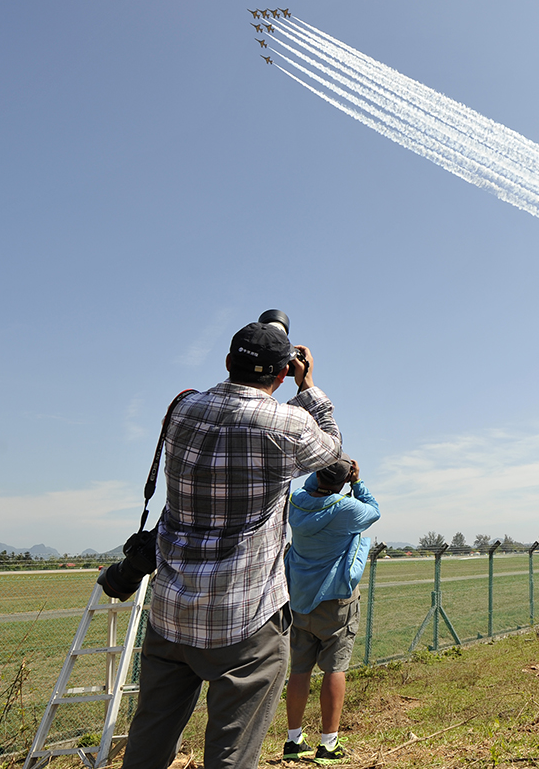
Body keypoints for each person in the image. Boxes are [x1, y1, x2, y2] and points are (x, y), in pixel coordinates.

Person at [122, 319, 343, 769]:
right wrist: (310, 390)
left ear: (226, 362)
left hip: (170, 611)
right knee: (231, 753)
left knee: (148, 742)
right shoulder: (289, 423)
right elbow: (332, 451)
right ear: (282, 375)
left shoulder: (182, 409)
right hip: (247, 618)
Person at [282, 456, 380, 764]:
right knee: (335, 669)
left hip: (299, 597)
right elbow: (374, 511)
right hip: (336, 599)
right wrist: (357, 482)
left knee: (299, 670)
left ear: (317, 475)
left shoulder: (296, 503)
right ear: (343, 482)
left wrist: (325, 469)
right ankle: (328, 743)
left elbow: (312, 486)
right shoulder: (345, 509)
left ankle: (294, 740)